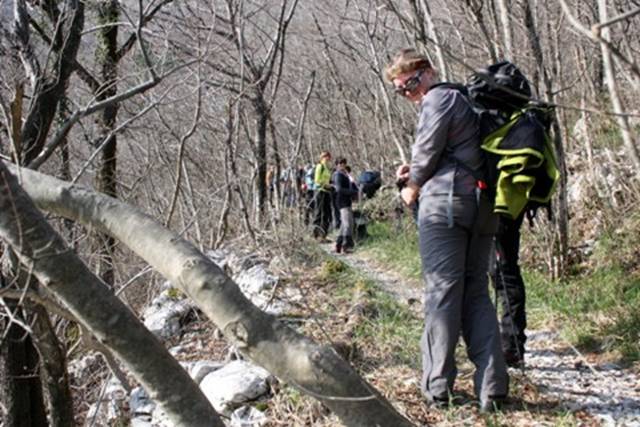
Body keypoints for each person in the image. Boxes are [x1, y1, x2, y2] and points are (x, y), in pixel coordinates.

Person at [385, 48, 508, 412]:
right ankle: (493, 389)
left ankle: (437, 388)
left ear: (428, 71)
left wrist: (411, 186)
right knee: (476, 292)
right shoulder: (466, 101)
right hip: (481, 206)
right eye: (400, 90)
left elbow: (426, 151)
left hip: (445, 208)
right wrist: (416, 171)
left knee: (442, 293)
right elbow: (454, 150)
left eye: (410, 84)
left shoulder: (438, 98)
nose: (409, 93)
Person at [493, 212, 527, 368]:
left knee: (504, 275)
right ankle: (512, 348)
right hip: (508, 208)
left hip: (500, 210)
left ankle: (512, 349)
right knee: (504, 273)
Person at [333, 159, 358, 253]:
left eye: (344, 164)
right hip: (341, 200)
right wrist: (353, 192)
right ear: (337, 165)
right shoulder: (338, 175)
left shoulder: (345, 175)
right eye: (340, 164)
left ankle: (338, 244)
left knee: (344, 224)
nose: (342, 165)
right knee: (348, 223)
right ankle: (346, 245)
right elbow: (339, 189)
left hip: (347, 200)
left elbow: (352, 186)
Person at [312, 151, 333, 241]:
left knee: (326, 213)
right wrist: (325, 185)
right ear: (322, 157)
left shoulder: (327, 167)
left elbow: (328, 179)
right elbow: (317, 180)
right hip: (320, 191)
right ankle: (316, 234)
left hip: (327, 192)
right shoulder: (320, 166)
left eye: (329, 157)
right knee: (319, 213)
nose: (328, 158)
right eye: (326, 156)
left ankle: (323, 234)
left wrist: (330, 185)